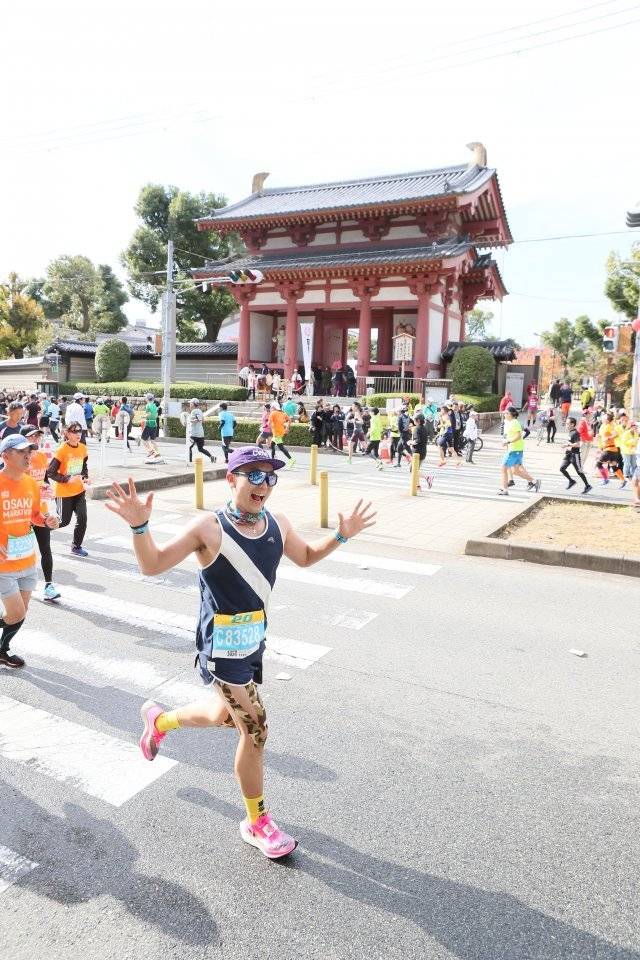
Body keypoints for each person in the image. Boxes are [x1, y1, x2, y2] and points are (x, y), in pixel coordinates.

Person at [105, 449, 375, 860]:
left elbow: (305, 557)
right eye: (254, 475)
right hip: (221, 649)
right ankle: (257, 821)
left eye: (270, 477)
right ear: (231, 479)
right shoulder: (208, 528)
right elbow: (153, 564)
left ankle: (160, 721)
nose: (264, 485)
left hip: (253, 641)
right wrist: (140, 526)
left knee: (223, 715)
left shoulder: (278, 523)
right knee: (256, 729)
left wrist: (341, 536)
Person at [0, 433, 60, 667]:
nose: (28, 456)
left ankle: (3, 650)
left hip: (26, 560)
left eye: (29, 452)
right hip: (3, 564)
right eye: (21, 452)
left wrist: (46, 520)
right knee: (15, 614)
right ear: (5, 456)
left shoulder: (30, 483)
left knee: (21, 613)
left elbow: (34, 515)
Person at [21, 425, 62, 600]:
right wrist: (37, 490)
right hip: (21, 512)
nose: (35, 439)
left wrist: (46, 487)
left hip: (40, 510)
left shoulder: (42, 457)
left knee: (45, 548)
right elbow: (18, 486)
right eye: (31, 437)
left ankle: (48, 585)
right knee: (20, 551)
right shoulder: (18, 461)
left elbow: (43, 478)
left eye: (37, 436)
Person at [47, 423, 90, 557]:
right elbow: (50, 472)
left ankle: (76, 546)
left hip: (79, 491)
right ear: (67, 433)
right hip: (64, 493)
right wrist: (66, 479)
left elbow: (84, 467)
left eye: (80, 431)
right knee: (63, 521)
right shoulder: (62, 450)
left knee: (82, 519)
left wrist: (85, 478)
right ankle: (42, 529)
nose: (78, 434)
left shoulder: (83, 448)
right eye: (74, 431)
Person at [498, 407, 541, 496]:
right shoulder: (510, 422)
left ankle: (504, 490)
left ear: (511, 414)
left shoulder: (515, 422)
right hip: (516, 450)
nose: (505, 414)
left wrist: (508, 441)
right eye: (505, 413)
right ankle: (534, 481)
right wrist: (506, 441)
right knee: (515, 471)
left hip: (514, 450)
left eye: (506, 413)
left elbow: (518, 436)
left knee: (503, 468)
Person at [559, 418, 591, 494]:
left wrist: (567, 445)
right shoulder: (570, 432)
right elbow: (570, 442)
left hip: (574, 455)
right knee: (562, 468)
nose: (566, 425)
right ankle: (571, 481)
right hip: (568, 454)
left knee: (579, 471)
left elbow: (578, 444)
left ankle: (587, 485)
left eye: (567, 423)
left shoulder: (575, 433)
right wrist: (566, 445)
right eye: (566, 423)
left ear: (572, 424)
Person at [595, 412, 624, 486]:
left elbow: (616, 434)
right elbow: (601, 437)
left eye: (604, 417)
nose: (602, 418)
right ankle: (623, 480)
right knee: (613, 466)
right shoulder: (603, 426)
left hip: (609, 449)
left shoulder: (610, 426)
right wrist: (600, 445)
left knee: (598, 464)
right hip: (611, 449)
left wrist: (608, 438)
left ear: (607, 420)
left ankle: (605, 479)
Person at [188, 399, 217, 463]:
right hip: (201, 434)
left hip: (194, 434)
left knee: (189, 447)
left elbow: (197, 420)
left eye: (191, 403)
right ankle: (211, 457)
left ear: (193, 404)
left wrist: (190, 421)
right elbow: (203, 420)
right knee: (200, 449)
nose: (190, 404)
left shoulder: (194, 411)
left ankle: (189, 461)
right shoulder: (200, 411)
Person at [141, 393, 163, 464]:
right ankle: (157, 453)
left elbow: (149, 414)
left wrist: (143, 416)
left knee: (143, 439)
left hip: (149, 424)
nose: (145, 399)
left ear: (147, 399)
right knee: (152, 440)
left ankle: (150, 451)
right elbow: (156, 415)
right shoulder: (154, 405)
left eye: (145, 398)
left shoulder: (148, 405)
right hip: (154, 424)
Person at [618, 418, 638, 486]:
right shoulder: (626, 433)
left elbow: (636, 441)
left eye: (635, 426)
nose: (635, 427)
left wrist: (634, 444)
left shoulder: (636, 433)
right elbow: (624, 442)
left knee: (634, 464)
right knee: (627, 464)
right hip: (626, 451)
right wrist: (632, 442)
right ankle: (626, 475)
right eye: (633, 426)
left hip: (633, 451)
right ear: (630, 426)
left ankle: (633, 475)